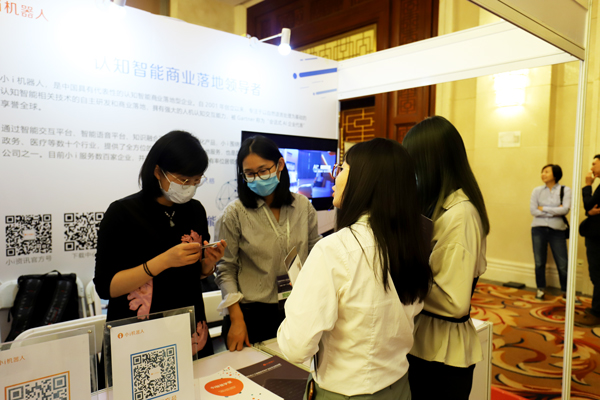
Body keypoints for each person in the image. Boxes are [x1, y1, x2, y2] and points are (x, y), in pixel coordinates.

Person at [277, 138, 433, 400]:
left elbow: (296, 347)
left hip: (345, 392)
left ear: (365, 180)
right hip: (399, 386)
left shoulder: (334, 249)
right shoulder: (411, 244)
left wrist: (300, 300)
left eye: (342, 169)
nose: (334, 177)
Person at [94, 130, 226, 359]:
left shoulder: (195, 210)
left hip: (189, 331)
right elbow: (106, 287)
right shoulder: (122, 213)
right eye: (183, 180)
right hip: (138, 335)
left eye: (196, 180)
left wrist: (207, 265)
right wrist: (164, 261)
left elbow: (193, 274)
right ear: (157, 171)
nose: (190, 187)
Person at [402, 116, 489, 400]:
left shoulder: (460, 215)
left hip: (440, 356)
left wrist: (398, 282)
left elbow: (454, 301)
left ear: (430, 163)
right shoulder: (440, 206)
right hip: (425, 343)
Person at [214, 135, 321, 351]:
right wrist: (236, 319)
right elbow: (225, 269)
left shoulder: (303, 206)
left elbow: (315, 253)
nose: (257, 178)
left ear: (280, 165)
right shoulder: (234, 214)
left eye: (263, 170)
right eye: (250, 173)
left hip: (296, 308)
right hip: (250, 315)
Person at [530, 164, 571, 300]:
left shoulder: (565, 190)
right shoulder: (537, 191)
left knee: (563, 263)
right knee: (539, 262)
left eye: (546, 172)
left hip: (557, 230)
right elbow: (533, 210)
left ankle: (566, 291)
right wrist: (555, 210)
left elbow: (564, 210)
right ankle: (540, 289)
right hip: (538, 229)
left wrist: (543, 208)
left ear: (555, 174)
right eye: (542, 172)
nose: (543, 174)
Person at [575, 154, 600, 327]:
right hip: (596, 236)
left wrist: (587, 185)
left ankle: (596, 313)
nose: (591, 168)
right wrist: (589, 212)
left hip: (597, 238)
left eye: (594, 164)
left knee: (597, 274)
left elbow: (589, 205)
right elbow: (592, 209)